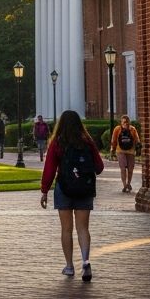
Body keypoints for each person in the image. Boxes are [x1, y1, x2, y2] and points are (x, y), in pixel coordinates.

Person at [39, 109, 104, 282]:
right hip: (84, 189)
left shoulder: (57, 143)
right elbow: (99, 167)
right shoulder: (87, 142)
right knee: (83, 228)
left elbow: (50, 169)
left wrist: (44, 190)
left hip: (64, 188)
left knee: (66, 229)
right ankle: (85, 261)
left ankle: (69, 266)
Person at [109, 115, 142, 194]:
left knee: (130, 169)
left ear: (129, 122)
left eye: (127, 122)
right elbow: (113, 140)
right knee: (123, 168)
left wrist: (138, 148)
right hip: (120, 151)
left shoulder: (132, 129)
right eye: (124, 122)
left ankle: (128, 183)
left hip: (131, 151)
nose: (125, 124)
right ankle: (124, 185)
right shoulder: (117, 129)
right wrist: (112, 150)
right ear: (121, 122)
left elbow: (137, 140)